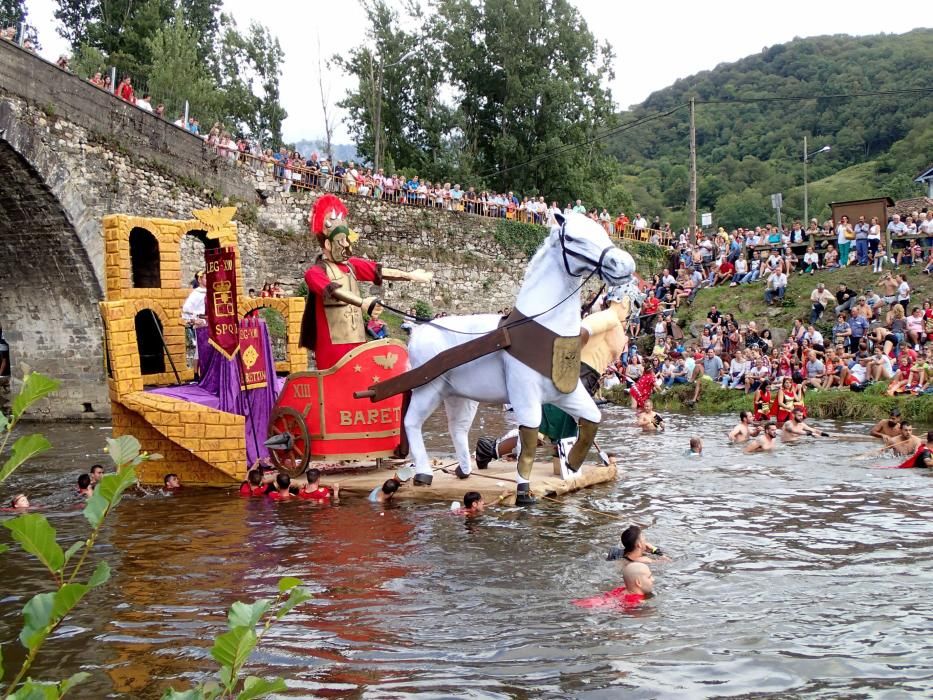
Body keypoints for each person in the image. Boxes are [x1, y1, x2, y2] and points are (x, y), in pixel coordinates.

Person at [300, 195, 432, 369]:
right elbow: (332, 291)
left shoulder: (351, 266)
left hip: (357, 343)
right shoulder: (316, 272)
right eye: (342, 241)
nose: (347, 245)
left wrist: (409, 275)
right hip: (333, 349)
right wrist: (363, 303)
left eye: (348, 240)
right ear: (328, 244)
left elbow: (379, 271)